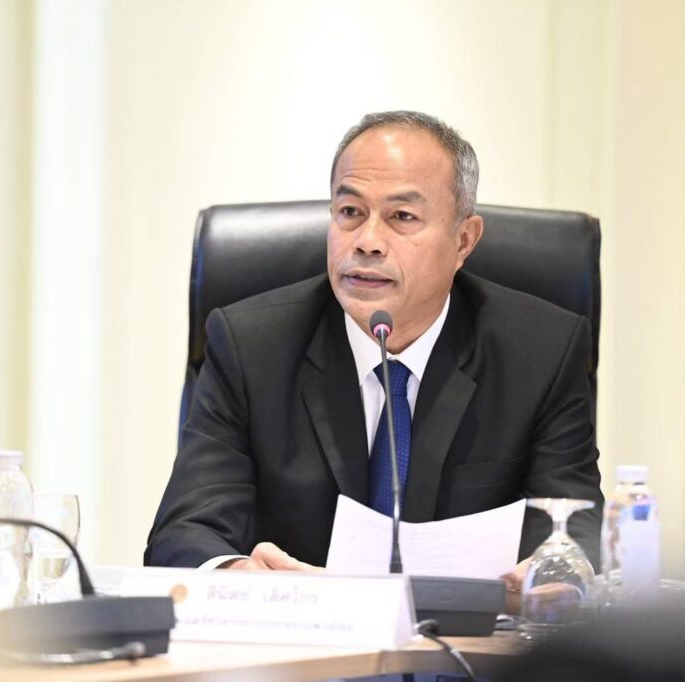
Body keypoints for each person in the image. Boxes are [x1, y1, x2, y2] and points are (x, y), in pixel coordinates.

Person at [145, 111, 602, 601]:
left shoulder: (541, 350)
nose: (366, 242)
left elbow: (576, 527)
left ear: (464, 240)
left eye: (402, 217)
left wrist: (549, 573)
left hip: (472, 639)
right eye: (350, 212)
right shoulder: (251, 346)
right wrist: (241, 576)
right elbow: (185, 532)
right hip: (301, 637)